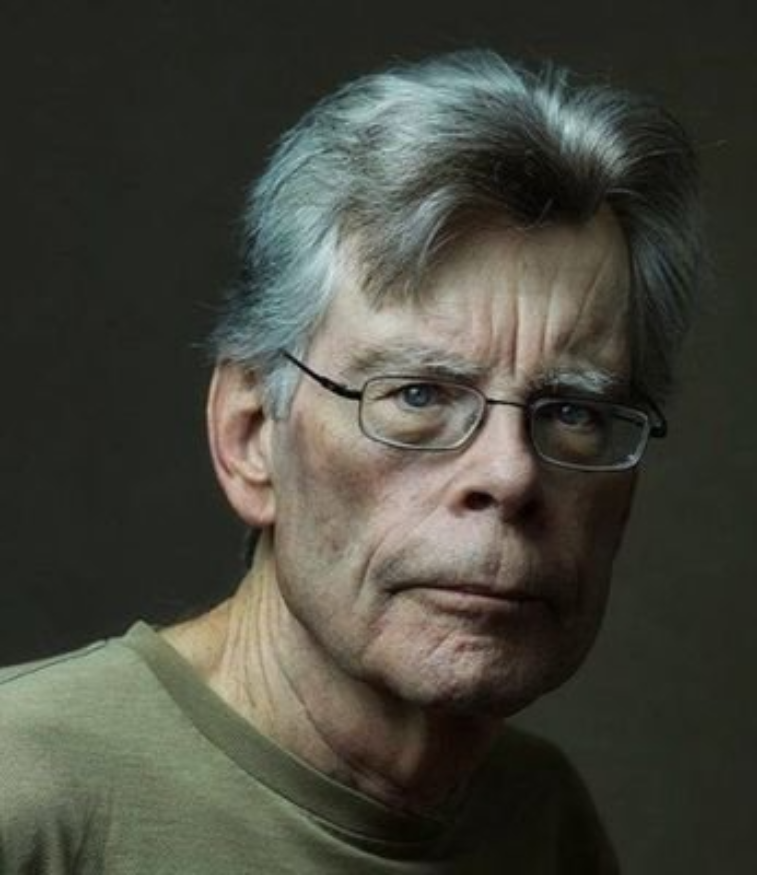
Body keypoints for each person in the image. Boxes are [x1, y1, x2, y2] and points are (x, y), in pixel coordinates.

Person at [0, 50, 701, 873]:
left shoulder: (542, 818)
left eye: (574, 411)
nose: (511, 475)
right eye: (418, 395)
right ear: (251, 433)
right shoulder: (26, 795)